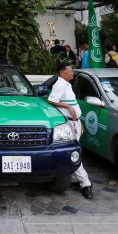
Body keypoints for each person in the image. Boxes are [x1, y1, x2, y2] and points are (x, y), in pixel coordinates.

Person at [47, 63, 93, 199]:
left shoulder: (67, 84)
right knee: (74, 154)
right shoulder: (60, 85)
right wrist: (67, 107)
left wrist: (80, 122)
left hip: (75, 122)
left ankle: (79, 181)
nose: (72, 73)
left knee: (74, 154)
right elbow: (51, 100)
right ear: (62, 72)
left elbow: (73, 103)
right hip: (69, 123)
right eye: (70, 71)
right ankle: (86, 184)